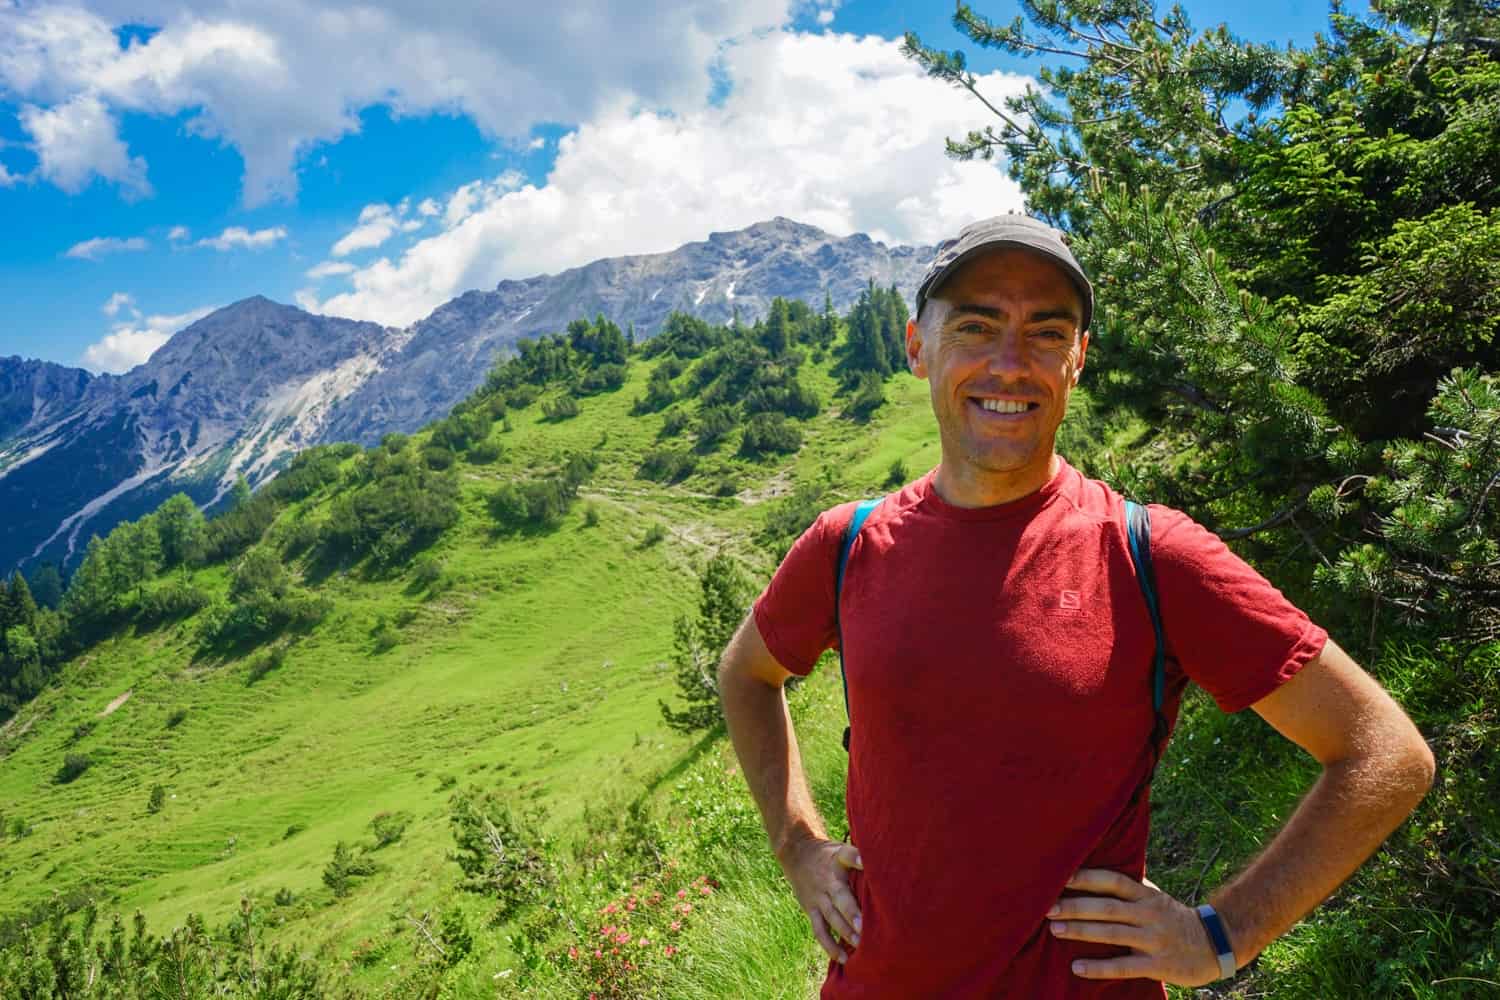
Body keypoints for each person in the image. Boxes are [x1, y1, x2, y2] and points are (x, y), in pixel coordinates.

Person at [717, 215, 1435, 997]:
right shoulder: (848, 546)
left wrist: (1222, 935)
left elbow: (1386, 753)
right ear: (917, 347)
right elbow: (747, 673)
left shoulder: (1149, 555)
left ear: (1079, 359)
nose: (1009, 364)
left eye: (1047, 332)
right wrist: (797, 846)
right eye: (975, 326)